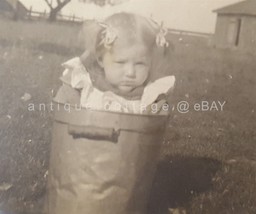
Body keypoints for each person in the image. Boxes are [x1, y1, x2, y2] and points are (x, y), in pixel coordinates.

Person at [54, 12, 175, 114]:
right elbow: (64, 105)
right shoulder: (86, 87)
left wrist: (159, 107)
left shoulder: (149, 97)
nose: (130, 73)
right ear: (101, 60)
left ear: (150, 61)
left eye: (140, 64)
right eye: (120, 62)